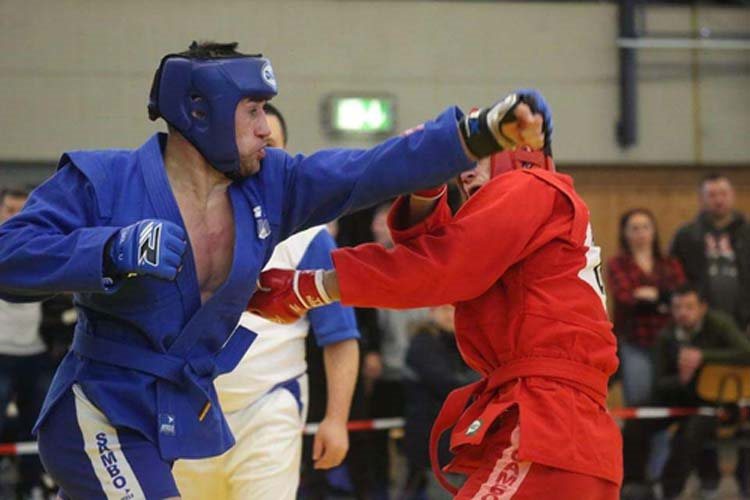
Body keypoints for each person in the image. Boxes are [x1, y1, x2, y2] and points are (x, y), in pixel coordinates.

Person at [0, 39, 550, 498]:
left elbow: (367, 170)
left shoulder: (272, 185)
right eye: (254, 110)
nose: (267, 128)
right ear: (200, 111)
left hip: (183, 414)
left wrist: (481, 132)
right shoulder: (103, 179)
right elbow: (8, 256)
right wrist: (107, 250)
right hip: (98, 411)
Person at [248, 145, 623, 498]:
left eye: (480, 157)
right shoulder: (531, 220)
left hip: (549, 421)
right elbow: (438, 258)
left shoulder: (531, 186)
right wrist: (425, 190)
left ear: (520, 155)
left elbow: (437, 268)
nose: (466, 172)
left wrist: (312, 285)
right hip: (569, 429)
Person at [172, 104, 360, 499]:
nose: (260, 152)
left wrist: (337, 419)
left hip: (268, 407)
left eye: (271, 144)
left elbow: (340, 336)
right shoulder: (184, 224)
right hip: (189, 407)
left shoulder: (309, 237)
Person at [651, 285, 750, 499]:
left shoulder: (719, 324)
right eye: (677, 307)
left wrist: (703, 356)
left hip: (722, 403)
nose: (683, 313)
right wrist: (681, 379)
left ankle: (671, 490)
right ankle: (635, 486)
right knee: (637, 422)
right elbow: (659, 385)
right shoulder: (666, 336)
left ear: (702, 307)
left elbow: (746, 352)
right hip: (682, 399)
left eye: (689, 307)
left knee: (691, 430)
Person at [0, 188, 52, 500]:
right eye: (9, 209)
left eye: (22, 211)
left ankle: (34, 486)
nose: (15, 217)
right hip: (0, 352)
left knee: (41, 424)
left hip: (37, 352)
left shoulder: (42, 246)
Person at [607, 208, 685, 407]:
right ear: (625, 234)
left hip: (669, 341)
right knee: (639, 400)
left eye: (645, 227)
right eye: (634, 228)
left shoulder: (668, 263)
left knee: (667, 400)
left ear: (654, 231)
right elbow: (625, 298)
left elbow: (680, 296)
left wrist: (652, 296)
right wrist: (662, 299)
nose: (641, 233)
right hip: (635, 340)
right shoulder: (618, 264)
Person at [402, 305, 477, 500]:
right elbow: (445, 383)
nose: (449, 315)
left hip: (454, 435)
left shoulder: (461, 342)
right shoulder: (424, 343)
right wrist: (483, 386)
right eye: (443, 309)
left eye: (453, 309)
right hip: (432, 435)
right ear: (432, 312)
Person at [671, 173, 750, 331]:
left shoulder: (747, 233)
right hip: (701, 319)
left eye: (723, 194)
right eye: (712, 195)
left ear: (733, 196)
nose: (719, 200)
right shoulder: (686, 236)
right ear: (701, 199)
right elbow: (676, 278)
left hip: (743, 316)